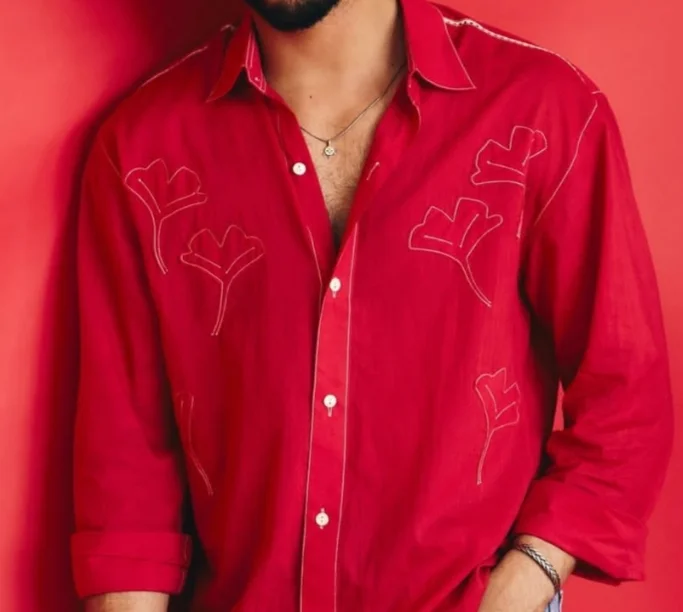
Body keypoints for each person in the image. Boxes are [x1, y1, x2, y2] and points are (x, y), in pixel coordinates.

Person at [71, 0, 674, 610]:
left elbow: (626, 396)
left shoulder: (542, 111)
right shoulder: (142, 147)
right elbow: (125, 474)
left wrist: (519, 588)